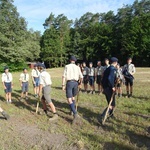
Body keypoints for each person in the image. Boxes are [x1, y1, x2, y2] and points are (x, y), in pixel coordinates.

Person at [62, 56, 83, 124]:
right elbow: (81, 76)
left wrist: (63, 85)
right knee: (73, 97)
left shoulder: (67, 66)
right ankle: (72, 110)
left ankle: (75, 113)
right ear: (75, 61)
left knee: (69, 99)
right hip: (76, 83)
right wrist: (80, 83)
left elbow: (64, 76)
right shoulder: (77, 67)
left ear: (70, 60)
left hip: (70, 83)